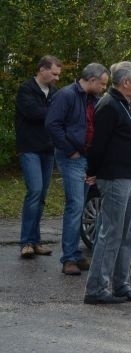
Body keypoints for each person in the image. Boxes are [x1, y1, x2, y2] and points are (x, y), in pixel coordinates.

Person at [84, 61, 131, 305]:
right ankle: (97, 288)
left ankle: (121, 284)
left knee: (127, 234)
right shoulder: (109, 105)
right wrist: (94, 171)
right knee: (111, 234)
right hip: (115, 177)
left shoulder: (123, 104)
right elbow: (98, 144)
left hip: (130, 177)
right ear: (126, 82)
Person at [45, 62, 109, 275]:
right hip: (72, 156)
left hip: (85, 156)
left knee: (79, 206)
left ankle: (74, 254)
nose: (103, 88)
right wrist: (70, 149)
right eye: (102, 84)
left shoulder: (93, 99)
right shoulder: (66, 95)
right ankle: (69, 257)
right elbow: (52, 124)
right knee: (75, 205)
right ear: (91, 80)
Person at [15, 55, 62, 259]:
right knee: (34, 191)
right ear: (42, 69)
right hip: (29, 148)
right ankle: (26, 241)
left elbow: (57, 117)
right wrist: (53, 112)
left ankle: (35, 240)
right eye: (54, 73)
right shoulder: (27, 89)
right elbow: (33, 113)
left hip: (47, 149)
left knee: (41, 196)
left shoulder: (54, 92)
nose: (56, 78)